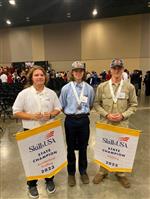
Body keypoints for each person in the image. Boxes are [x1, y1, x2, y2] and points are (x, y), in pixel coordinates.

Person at [13, 66, 61, 198]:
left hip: (48, 131)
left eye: (41, 75)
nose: (39, 77)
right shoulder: (24, 94)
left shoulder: (51, 93)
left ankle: (49, 180)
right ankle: (32, 184)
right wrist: (32, 116)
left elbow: (58, 108)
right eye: (36, 75)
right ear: (31, 77)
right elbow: (16, 111)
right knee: (32, 159)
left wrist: (51, 115)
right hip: (31, 131)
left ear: (45, 77)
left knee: (49, 157)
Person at [93, 58, 138, 188]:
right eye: (114, 68)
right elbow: (96, 104)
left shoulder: (129, 87)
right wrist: (106, 114)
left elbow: (134, 105)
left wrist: (123, 115)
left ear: (123, 70)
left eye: (119, 68)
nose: (117, 70)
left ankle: (121, 174)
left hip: (122, 125)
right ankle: (102, 171)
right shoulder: (102, 87)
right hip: (105, 124)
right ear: (110, 70)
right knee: (104, 148)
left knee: (121, 150)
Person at [59, 61, 94, 186]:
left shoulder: (89, 89)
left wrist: (81, 113)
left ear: (83, 72)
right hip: (70, 120)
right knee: (70, 148)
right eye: (76, 71)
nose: (78, 73)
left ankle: (83, 171)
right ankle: (71, 173)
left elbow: (90, 104)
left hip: (84, 120)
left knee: (84, 147)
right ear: (72, 73)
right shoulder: (66, 88)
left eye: (80, 71)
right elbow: (62, 105)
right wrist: (72, 113)